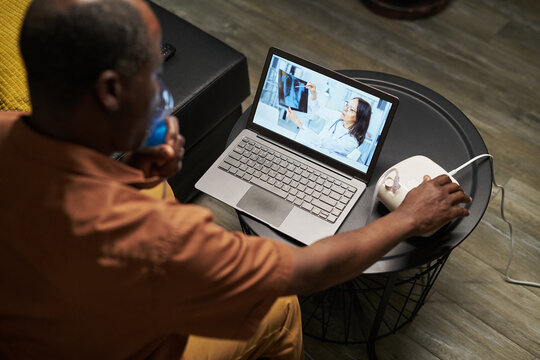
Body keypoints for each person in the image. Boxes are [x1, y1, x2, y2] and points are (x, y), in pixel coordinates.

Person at [0, 0, 472, 359]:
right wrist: (408, 216)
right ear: (109, 91)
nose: (162, 93)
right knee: (281, 306)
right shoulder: (162, 240)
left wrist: (138, 171)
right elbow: (311, 270)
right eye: (153, 74)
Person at [286, 82, 371, 157]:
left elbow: (321, 142)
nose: (345, 109)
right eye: (347, 105)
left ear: (359, 117)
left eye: (351, 109)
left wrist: (296, 121)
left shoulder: (351, 141)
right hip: (313, 152)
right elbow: (318, 109)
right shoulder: (338, 117)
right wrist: (313, 93)